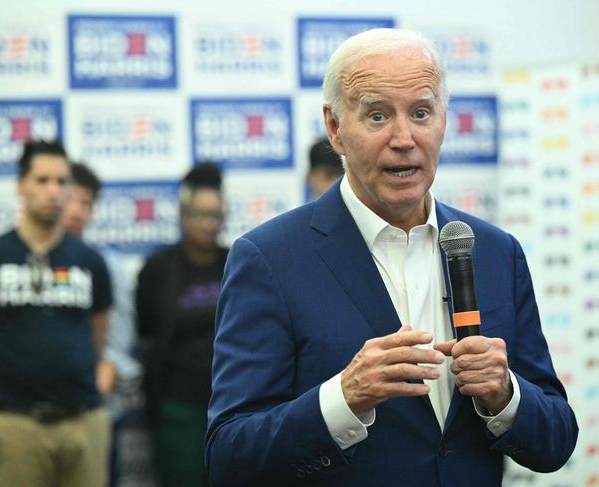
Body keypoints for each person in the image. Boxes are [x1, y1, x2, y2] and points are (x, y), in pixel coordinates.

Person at [205, 28, 578, 487]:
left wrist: (506, 395)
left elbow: (557, 442)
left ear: (445, 119)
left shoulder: (496, 252)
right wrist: (343, 399)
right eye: (378, 116)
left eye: (421, 112)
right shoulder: (269, 259)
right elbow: (228, 456)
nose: (404, 138)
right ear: (335, 128)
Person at [0, 140, 112, 487]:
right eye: (42, 180)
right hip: (18, 426)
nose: (53, 191)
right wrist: (3, 395)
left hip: (84, 422)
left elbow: (96, 341)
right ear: (20, 185)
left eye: (61, 181)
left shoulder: (90, 262)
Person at [136, 163, 228, 487]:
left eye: (215, 216)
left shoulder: (236, 263)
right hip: (178, 408)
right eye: (200, 215)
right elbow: (146, 332)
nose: (208, 224)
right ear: (183, 215)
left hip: (232, 406)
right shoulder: (157, 270)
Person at [62, 162, 142, 485]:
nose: (78, 210)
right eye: (73, 199)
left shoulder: (107, 266)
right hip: (37, 414)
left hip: (97, 410)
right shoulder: (21, 260)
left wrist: (98, 388)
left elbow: (118, 341)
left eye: (87, 203)